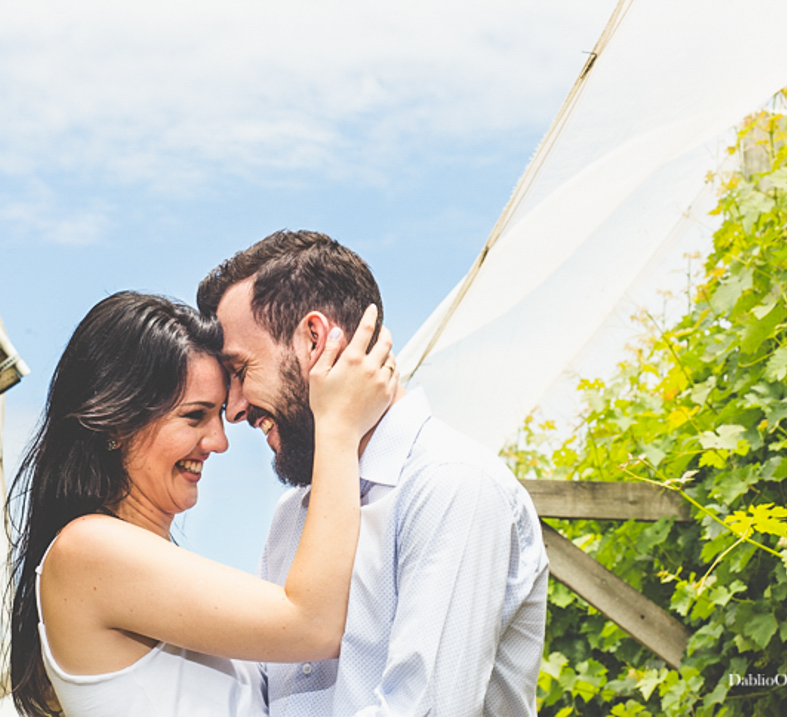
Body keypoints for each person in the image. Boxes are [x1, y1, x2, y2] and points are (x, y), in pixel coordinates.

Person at [197, 230, 550, 717]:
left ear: (315, 340)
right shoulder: (292, 515)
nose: (233, 410)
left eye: (240, 370)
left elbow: (427, 709)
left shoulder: (451, 485)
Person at [5, 291, 397, 717]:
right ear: (118, 421)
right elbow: (313, 625)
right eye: (194, 416)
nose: (219, 441)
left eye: (218, 417)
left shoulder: (136, 565)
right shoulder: (87, 549)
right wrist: (338, 425)